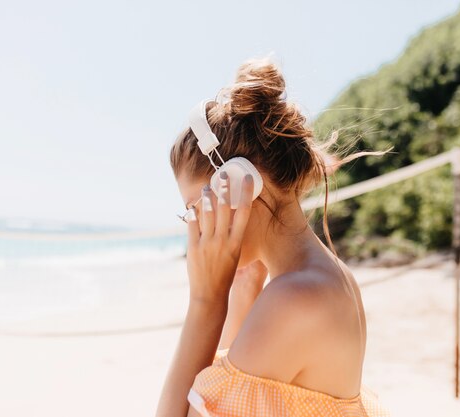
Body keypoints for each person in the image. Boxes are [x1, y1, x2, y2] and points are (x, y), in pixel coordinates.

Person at [156, 55, 393, 417]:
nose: (195, 225)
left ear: (235, 184)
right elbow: (228, 386)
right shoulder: (322, 278)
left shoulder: (296, 298)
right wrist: (242, 288)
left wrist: (206, 302)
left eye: (194, 208)